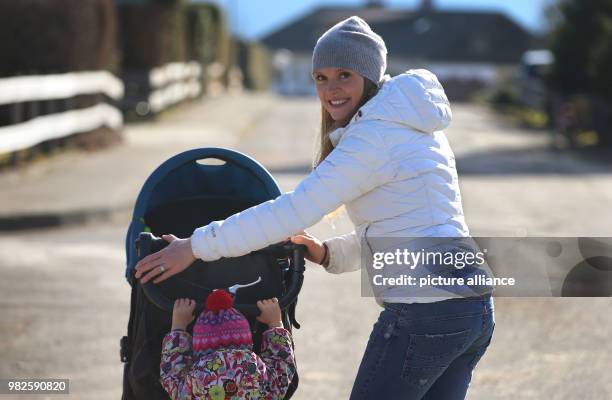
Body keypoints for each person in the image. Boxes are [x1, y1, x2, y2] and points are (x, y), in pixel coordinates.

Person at [137, 16, 495, 400]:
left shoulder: (374, 136)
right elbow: (407, 227)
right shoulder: (413, 125)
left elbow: (292, 211)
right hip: (472, 309)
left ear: (369, 77)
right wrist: (328, 253)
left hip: (428, 314)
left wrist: (194, 246)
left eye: (344, 75)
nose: (331, 89)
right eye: (321, 78)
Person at [160, 290, 296, 400]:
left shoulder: (197, 379)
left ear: (199, 348)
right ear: (246, 342)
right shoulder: (255, 371)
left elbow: (171, 376)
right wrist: (275, 323)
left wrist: (178, 326)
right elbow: (282, 365)